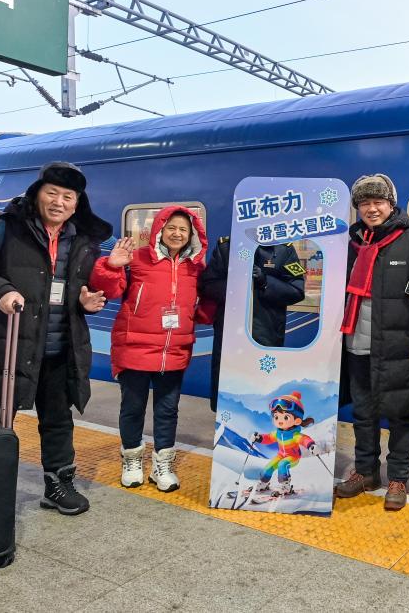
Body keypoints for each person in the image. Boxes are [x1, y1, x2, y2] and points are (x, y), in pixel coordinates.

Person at [0, 162, 112, 516]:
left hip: (59, 348)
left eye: (68, 196)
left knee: (58, 420)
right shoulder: (3, 226)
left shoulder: (82, 240)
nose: (59, 202)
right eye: (52, 193)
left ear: (77, 203)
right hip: (7, 347)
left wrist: (84, 303)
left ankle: (58, 484)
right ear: (37, 194)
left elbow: (71, 290)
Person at [334, 174, 409, 511]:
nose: (372, 208)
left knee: (400, 414)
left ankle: (398, 477)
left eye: (378, 202)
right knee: (363, 413)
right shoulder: (351, 243)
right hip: (356, 344)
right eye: (364, 203)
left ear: (391, 204)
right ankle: (366, 472)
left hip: (400, 346)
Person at [89, 206, 208, 492]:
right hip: (135, 347)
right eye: (171, 227)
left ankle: (162, 465)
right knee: (133, 408)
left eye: (183, 229)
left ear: (192, 234)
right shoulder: (137, 259)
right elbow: (110, 290)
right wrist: (111, 266)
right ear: (160, 230)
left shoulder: (196, 266)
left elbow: (204, 304)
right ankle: (131, 460)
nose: (177, 233)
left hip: (174, 350)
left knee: (168, 411)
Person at [198, 239, 306, 412]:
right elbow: (207, 285)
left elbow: (297, 290)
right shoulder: (226, 246)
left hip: (266, 332)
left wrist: (265, 281)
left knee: (262, 390)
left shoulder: (283, 249)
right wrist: (236, 284)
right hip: (229, 334)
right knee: (228, 391)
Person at [249, 391, 317, 502]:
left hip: (293, 457)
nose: (280, 421)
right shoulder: (278, 433)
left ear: (297, 421)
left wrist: (311, 445)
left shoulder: (294, 434)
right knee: (269, 466)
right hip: (281, 455)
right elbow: (268, 438)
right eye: (276, 417)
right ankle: (263, 483)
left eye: (285, 418)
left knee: (282, 464)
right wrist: (258, 438)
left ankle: (285, 486)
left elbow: (304, 439)